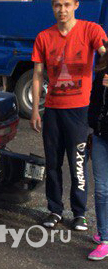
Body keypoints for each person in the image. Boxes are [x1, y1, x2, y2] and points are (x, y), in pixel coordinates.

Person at [31, 0, 108, 231]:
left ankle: (79, 213)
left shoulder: (90, 30)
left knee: (77, 165)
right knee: (53, 164)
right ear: (52, 7)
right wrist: (35, 110)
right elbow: (37, 76)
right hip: (52, 110)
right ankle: (54, 210)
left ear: (76, 5)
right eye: (57, 5)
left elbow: (104, 53)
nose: (62, 10)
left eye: (66, 5)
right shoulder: (44, 37)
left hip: (79, 110)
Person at [88, 49, 108, 260]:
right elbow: (93, 103)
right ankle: (105, 237)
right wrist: (91, 129)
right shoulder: (102, 70)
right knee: (102, 189)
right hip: (101, 136)